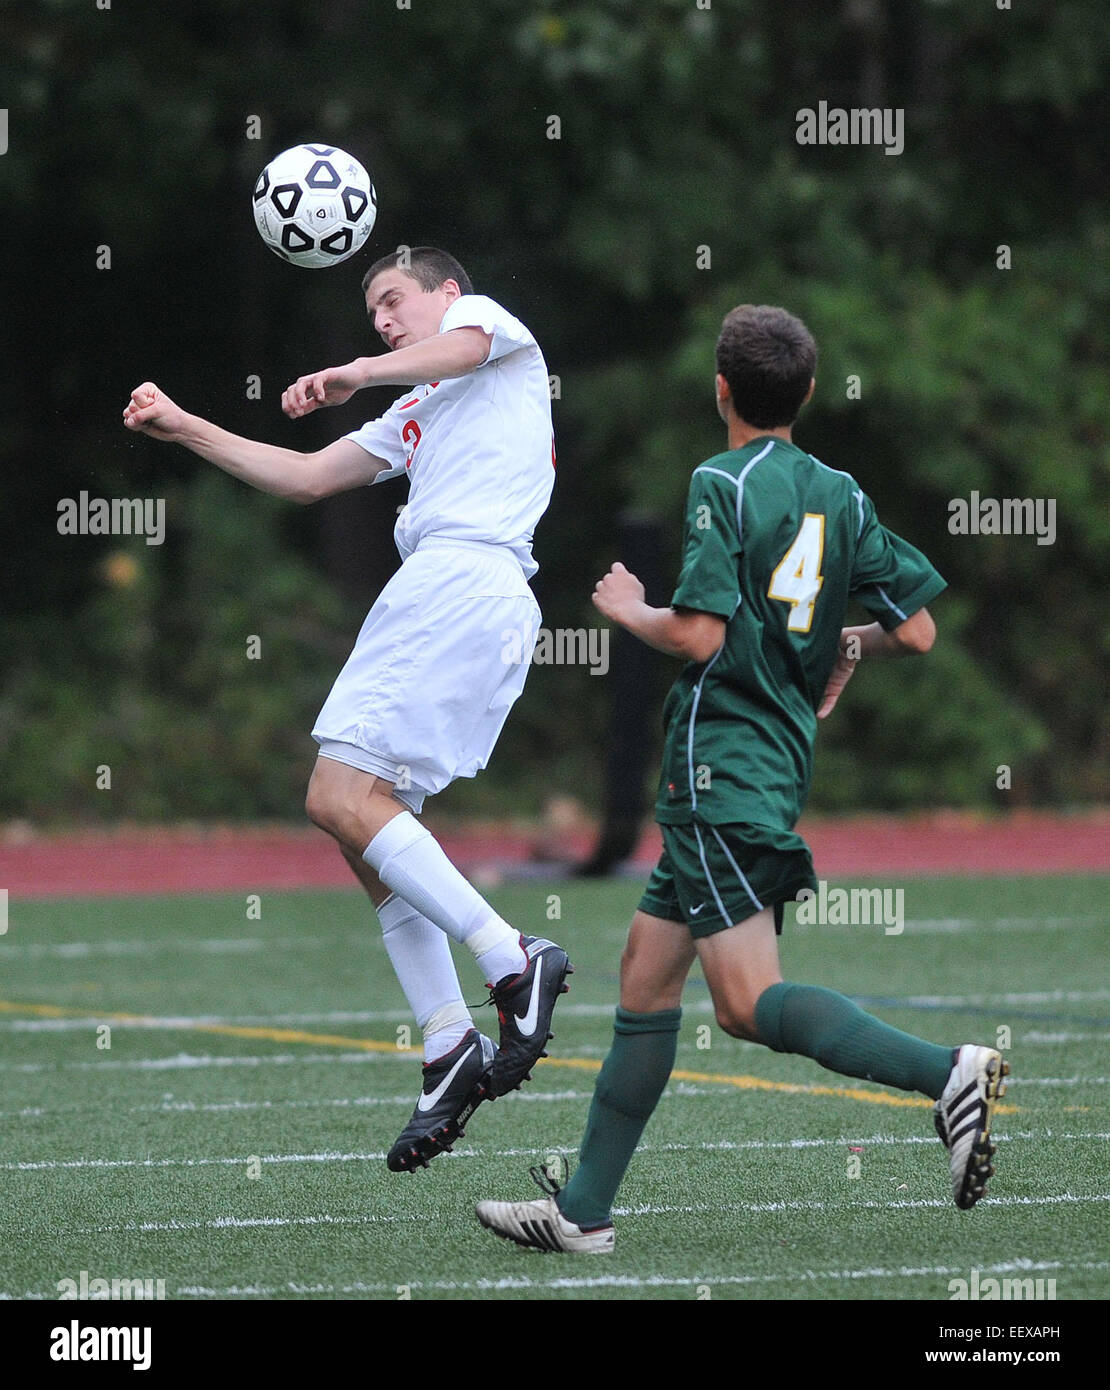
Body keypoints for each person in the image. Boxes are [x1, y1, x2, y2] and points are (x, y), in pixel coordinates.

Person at [475, 303, 1008, 1253]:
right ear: (804, 394)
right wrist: (846, 639)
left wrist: (633, 609)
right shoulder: (839, 493)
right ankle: (583, 1212)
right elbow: (918, 630)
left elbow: (700, 633)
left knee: (746, 1003)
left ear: (721, 389)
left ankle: (949, 1073)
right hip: (766, 761)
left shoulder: (721, 479)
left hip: (717, 762)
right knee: (645, 977)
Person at [123, 246, 571, 1172]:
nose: (382, 319)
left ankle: (512, 957)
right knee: (363, 821)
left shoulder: (487, 331)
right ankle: (448, 1041)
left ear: (447, 293)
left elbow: (459, 346)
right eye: (371, 311)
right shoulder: (421, 409)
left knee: (336, 796)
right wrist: (184, 427)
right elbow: (308, 477)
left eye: (393, 299)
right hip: (469, 593)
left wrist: (358, 371)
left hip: (459, 579)